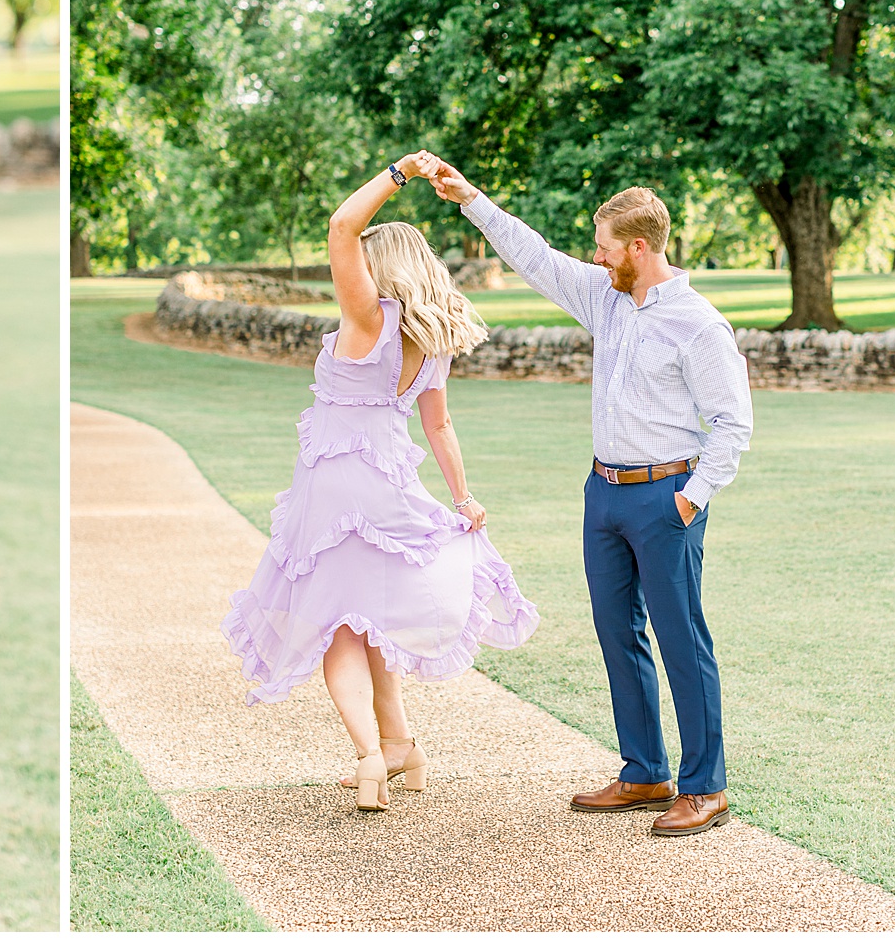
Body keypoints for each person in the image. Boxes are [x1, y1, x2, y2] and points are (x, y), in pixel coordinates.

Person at [422, 155, 752, 838]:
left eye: (604, 246)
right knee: (617, 633)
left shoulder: (698, 324)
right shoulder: (605, 295)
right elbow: (534, 257)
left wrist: (690, 500)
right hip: (602, 495)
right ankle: (643, 773)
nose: (595, 257)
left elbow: (732, 426)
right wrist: (470, 199)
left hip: (666, 499)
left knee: (681, 639)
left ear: (637, 247)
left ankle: (705, 787)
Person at [221, 152, 538, 811]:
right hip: (389, 484)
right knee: (367, 625)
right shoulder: (432, 336)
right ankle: (402, 751)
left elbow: (342, 224)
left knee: (337, 625)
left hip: (335, 486)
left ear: (380, 266)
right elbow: (440, 426)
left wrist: (398, 173)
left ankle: (369, 758)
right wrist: (463, 498)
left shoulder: (368, 316)